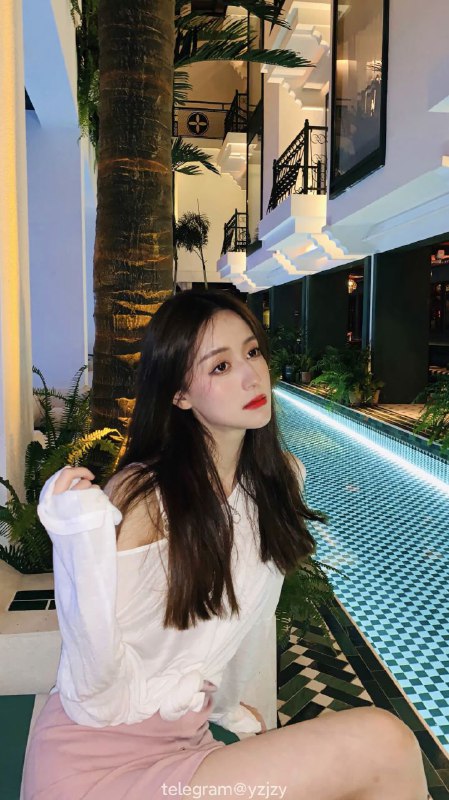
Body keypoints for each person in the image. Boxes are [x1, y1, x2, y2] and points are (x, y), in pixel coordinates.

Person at [22, 289, 428, 800]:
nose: (252, 375)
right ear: (179, 394)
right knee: (383, 743)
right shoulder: (146, 495)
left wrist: (232, 708)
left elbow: (248, 616)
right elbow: (91, 679)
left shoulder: (278, 482)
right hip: (95, 760)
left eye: (252, 351)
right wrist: (76, 540)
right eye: (220, 366)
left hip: (188, 748)